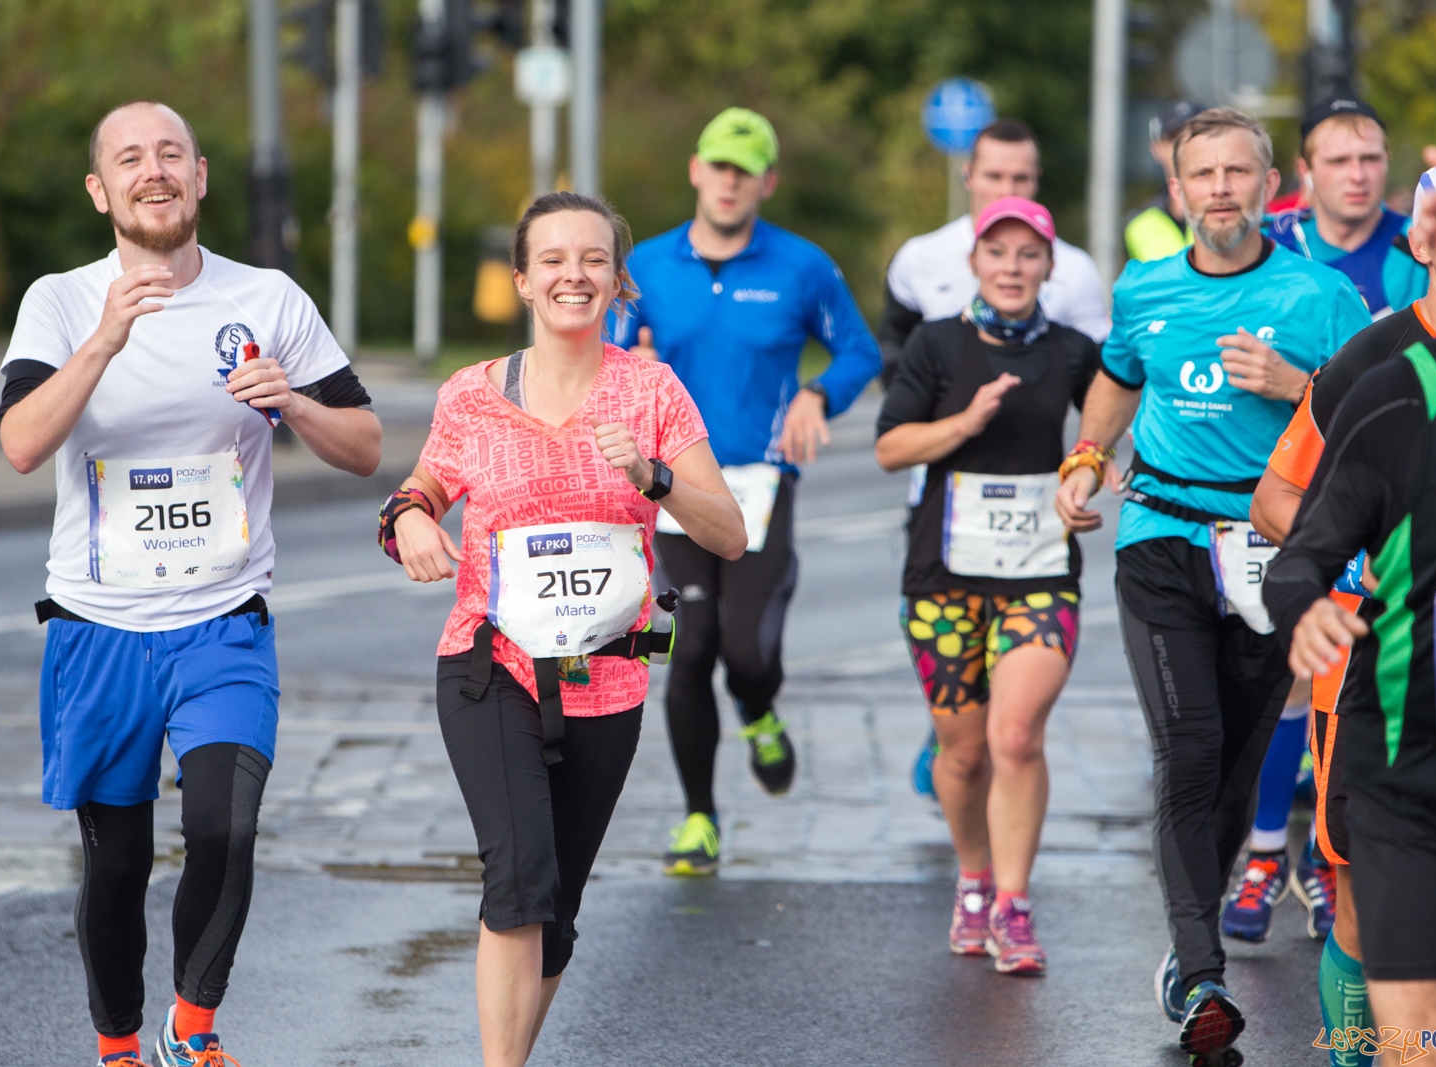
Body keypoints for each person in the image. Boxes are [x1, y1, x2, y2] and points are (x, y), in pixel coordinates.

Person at [0, 101, 382, 1067]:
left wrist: (290, 399)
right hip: (98, 627)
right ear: (101, 191)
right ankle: (118, 1044)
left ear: (201, 175)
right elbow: (18, 443)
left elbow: (367, 446)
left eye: (170, 152)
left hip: (224, 623)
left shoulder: (271, 298)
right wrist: (103, 342)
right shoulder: (60, 299)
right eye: (130, 158)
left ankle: (193, 1030)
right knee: (117, 863)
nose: (153, 170)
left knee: (224, 824)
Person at [384, 192, 747, 1067]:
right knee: (519, 881)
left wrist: (655, 476)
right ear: (522, 279)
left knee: (559, 913)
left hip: (606, 678)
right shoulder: (471, 396)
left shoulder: (651, 391)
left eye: (591, 259)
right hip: (488, 664)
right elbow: (415, 494)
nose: (572, 274)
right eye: (552, 259)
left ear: (618, 282)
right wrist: (411, 523)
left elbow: (729, 532)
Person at [1053, 107, 1371, 1063]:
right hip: (1161, 535)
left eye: (1240, 172)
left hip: (1277, 544)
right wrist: (1083, 455)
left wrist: (1296, 383)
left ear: (1272, 187)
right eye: (1204, 174)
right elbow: (1115, 373)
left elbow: (1380, 413)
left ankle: (1189, 951)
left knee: (1232, 762)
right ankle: (1200, 973)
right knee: (1187, 749)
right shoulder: (1144, 285)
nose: (1221, 188)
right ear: (1179, 190)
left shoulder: (1321, 298)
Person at [1252, 147, 1436, 1067]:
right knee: (1362, 902)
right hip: (1385, 676)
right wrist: (1359, 577)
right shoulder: (1378, 362)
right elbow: (1279, 506)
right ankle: (1362, 1053)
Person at [608, 108, 883, 876]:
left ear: (767, 181)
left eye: (745, 169)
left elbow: (860, 348)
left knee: (746, 651)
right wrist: (632, 357)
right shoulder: (650, 268)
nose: (729, 182)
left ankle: (759, 708)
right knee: (689, 648)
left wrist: (818, 395)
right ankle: (700, 817)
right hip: (671, 483)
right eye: (718, 166)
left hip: (761, 481)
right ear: (696, 170)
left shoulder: (802, 267)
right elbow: (606, 358)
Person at [876, 197, 1100, 974]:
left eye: (1028, 254)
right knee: (963, 753)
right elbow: (890, 447)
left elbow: (1108, 418)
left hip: (1040, 573)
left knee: (1016, 734)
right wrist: (963, 425)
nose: (1012, 267)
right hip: (943, 578)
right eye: (997, 252)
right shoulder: (938, 346)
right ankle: (972, 875)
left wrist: (1084, 473)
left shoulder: (1074, 350)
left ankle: (1014, 902)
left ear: (1049, 266)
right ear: (975, 261)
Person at [880, 117, 1111, 388]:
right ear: (968, 175)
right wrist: (918, 409)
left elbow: (1101, 374)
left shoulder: (1075, 267)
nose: (1007, 190)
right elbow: (891, 344)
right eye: (994, 176)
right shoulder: (919, 256)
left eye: (1021, 178)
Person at [1266, 94, 1429, 318]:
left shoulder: (1422, 248)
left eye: (1370, 159)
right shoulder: (1269, 242)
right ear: (1305, 169)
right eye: (1339, 161)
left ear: (1387, 160)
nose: (1357, 175)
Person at [1126, 101, 1205, 262]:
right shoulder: (1138, 225)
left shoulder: (1233, 213)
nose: (1185, 146)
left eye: (1195, 136)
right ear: (1156, 148)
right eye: (1174, 138)